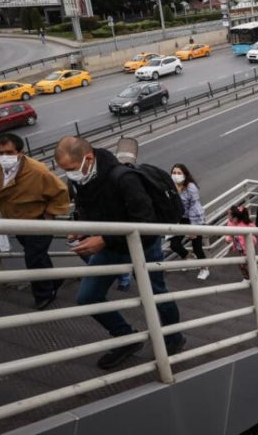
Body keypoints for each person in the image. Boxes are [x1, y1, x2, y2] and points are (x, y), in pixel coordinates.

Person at [54, 136, 185, 370]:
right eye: (65, 171)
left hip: (143, 247)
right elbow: (88, 209)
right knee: (87, 297)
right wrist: (82, 229)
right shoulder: (80, 181)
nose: (70, 175)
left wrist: (103, 239)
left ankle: (174, 337)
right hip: (112, 247)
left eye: (71, 169)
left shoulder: (124, 179)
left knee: (156, 295)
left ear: (89, 158)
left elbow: (145, 223)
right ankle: (127, 339)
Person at [0, 133, 70, 310]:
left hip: (37, 221)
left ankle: (44, 294)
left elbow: (61, 192)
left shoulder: (37, 171)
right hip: (15, 220)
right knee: (38, 256)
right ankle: (55, 279)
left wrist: (49, 216)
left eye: (9, 153)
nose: (3, 157)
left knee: (32, 259)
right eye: (0, 153)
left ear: (20, 152)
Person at [167, 164, 209, 281]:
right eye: (174, 172)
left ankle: (204, 268)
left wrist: (193, 228)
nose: (176, 175)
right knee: (174, 244)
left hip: (194, 218)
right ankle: (188, 258)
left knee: (197, 247)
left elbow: (194, 207)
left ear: (185, 174)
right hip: (180, 219)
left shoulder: (190, 187)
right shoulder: (171, 187)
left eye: (179, 173)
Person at [225, 204, 258, 280]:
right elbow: (228, 234)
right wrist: (228, 238)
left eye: (229, 215)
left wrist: (252, 239)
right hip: (240, 248)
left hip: (248, 246)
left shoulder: (246, 224)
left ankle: (253, 275)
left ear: (235, 218)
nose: (228, 217)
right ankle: (251, 275)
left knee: (245, 263)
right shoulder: (230, 224)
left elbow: (255, 231)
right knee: (243, 264)